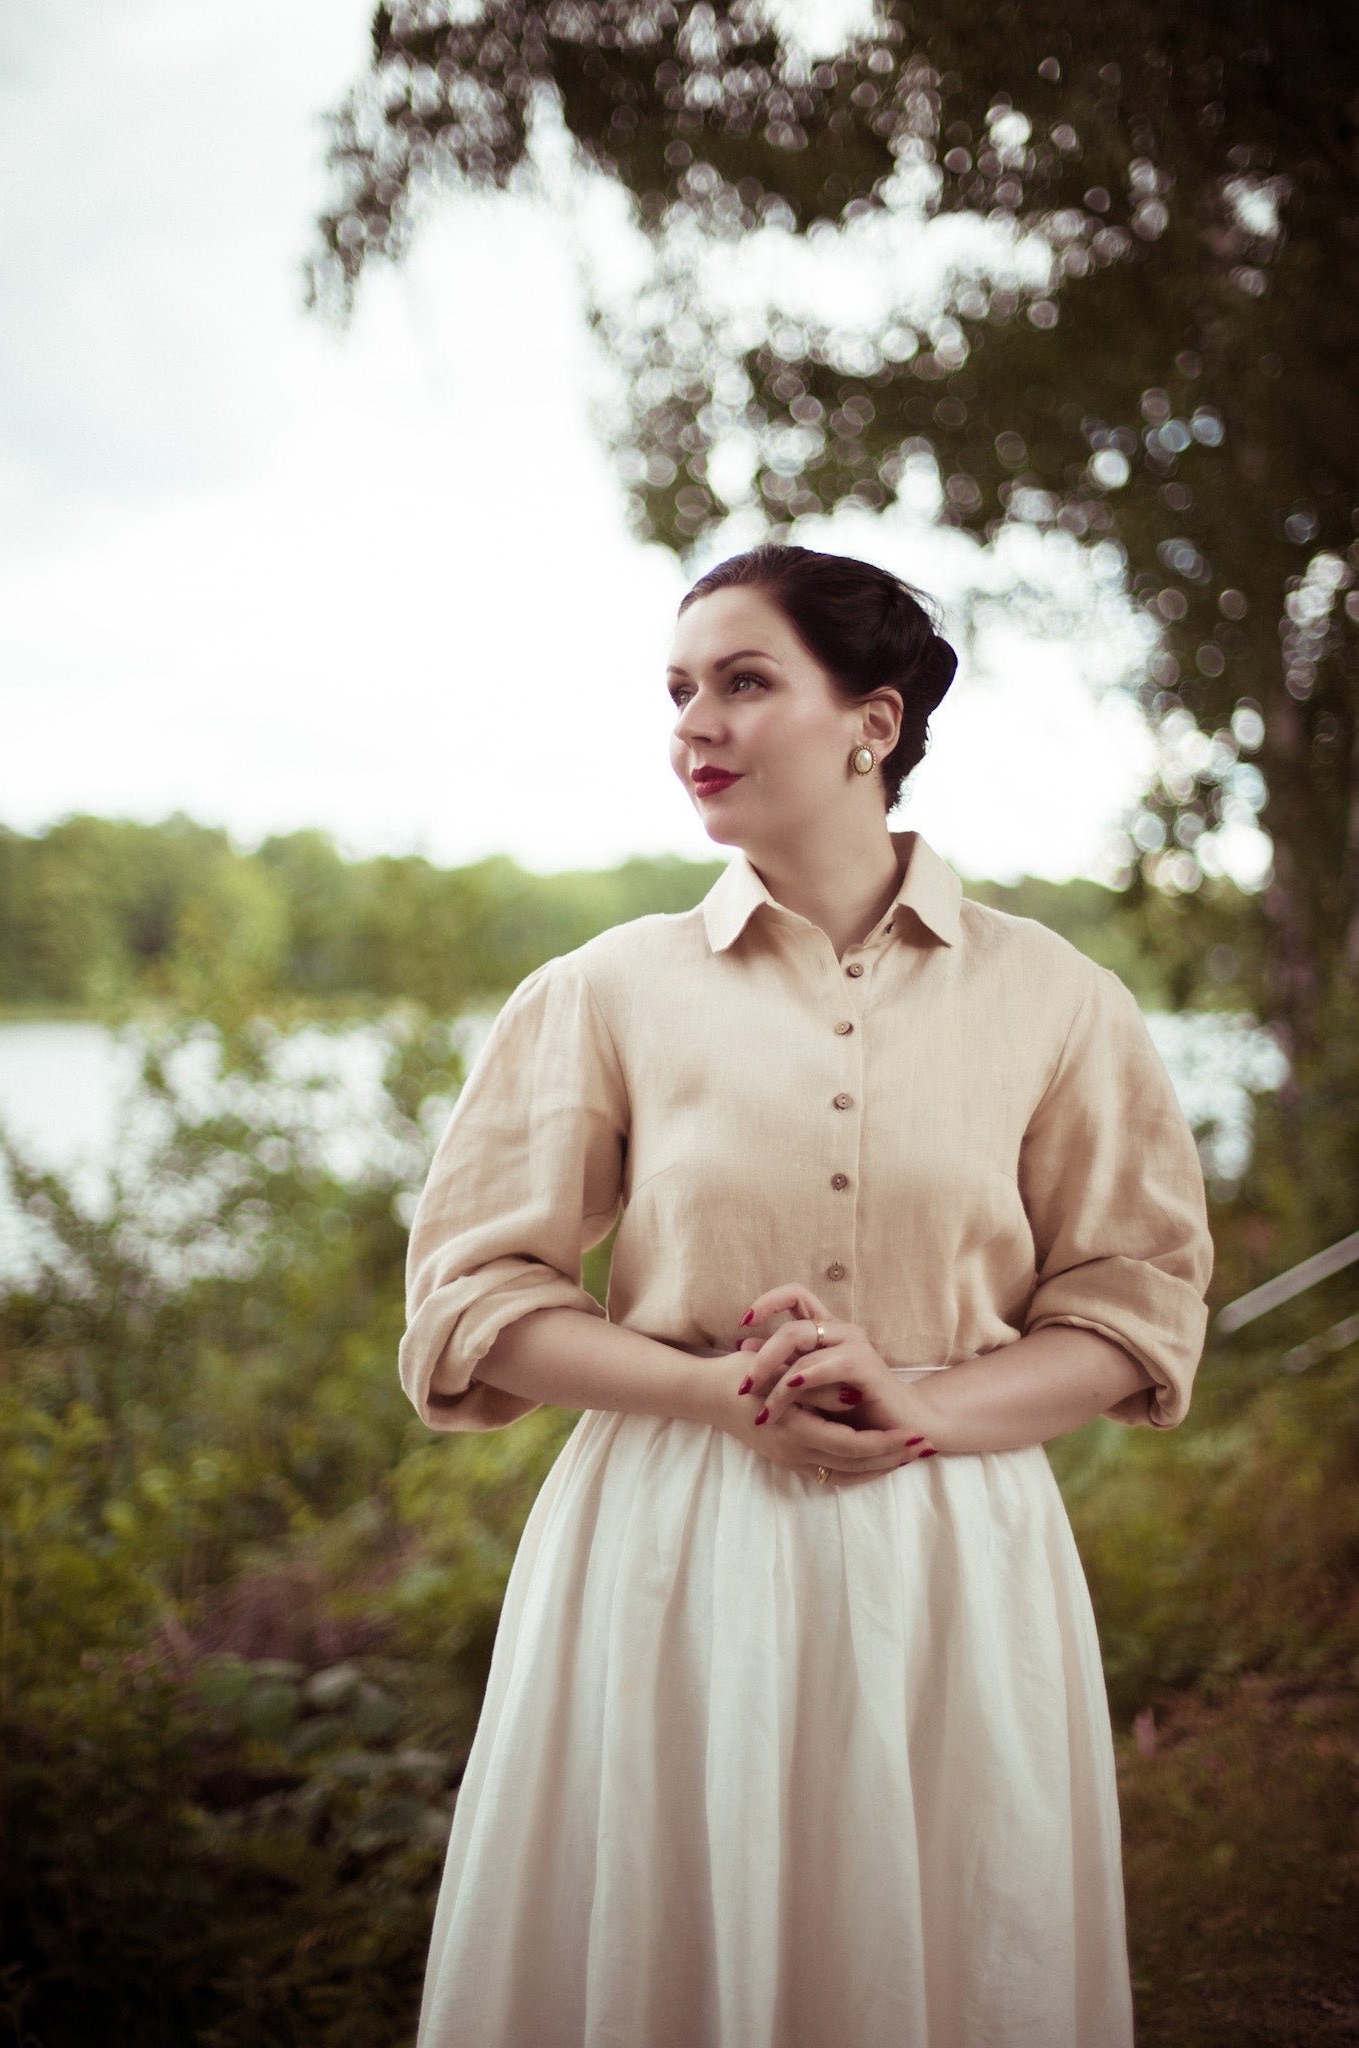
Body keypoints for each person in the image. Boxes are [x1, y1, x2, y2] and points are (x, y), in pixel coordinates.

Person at [399, 543, 1215, 2048]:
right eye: (677, 690)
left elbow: (1132, 1304)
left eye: (743, 680)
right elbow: (470, 1299)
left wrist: (923, 1403)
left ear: (874, 722)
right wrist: (714, 1393)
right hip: (666, 1550)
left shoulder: (1055, 999)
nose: (692, 725)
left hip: (953, 1550)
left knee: (948, 1949)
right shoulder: (603, 990)